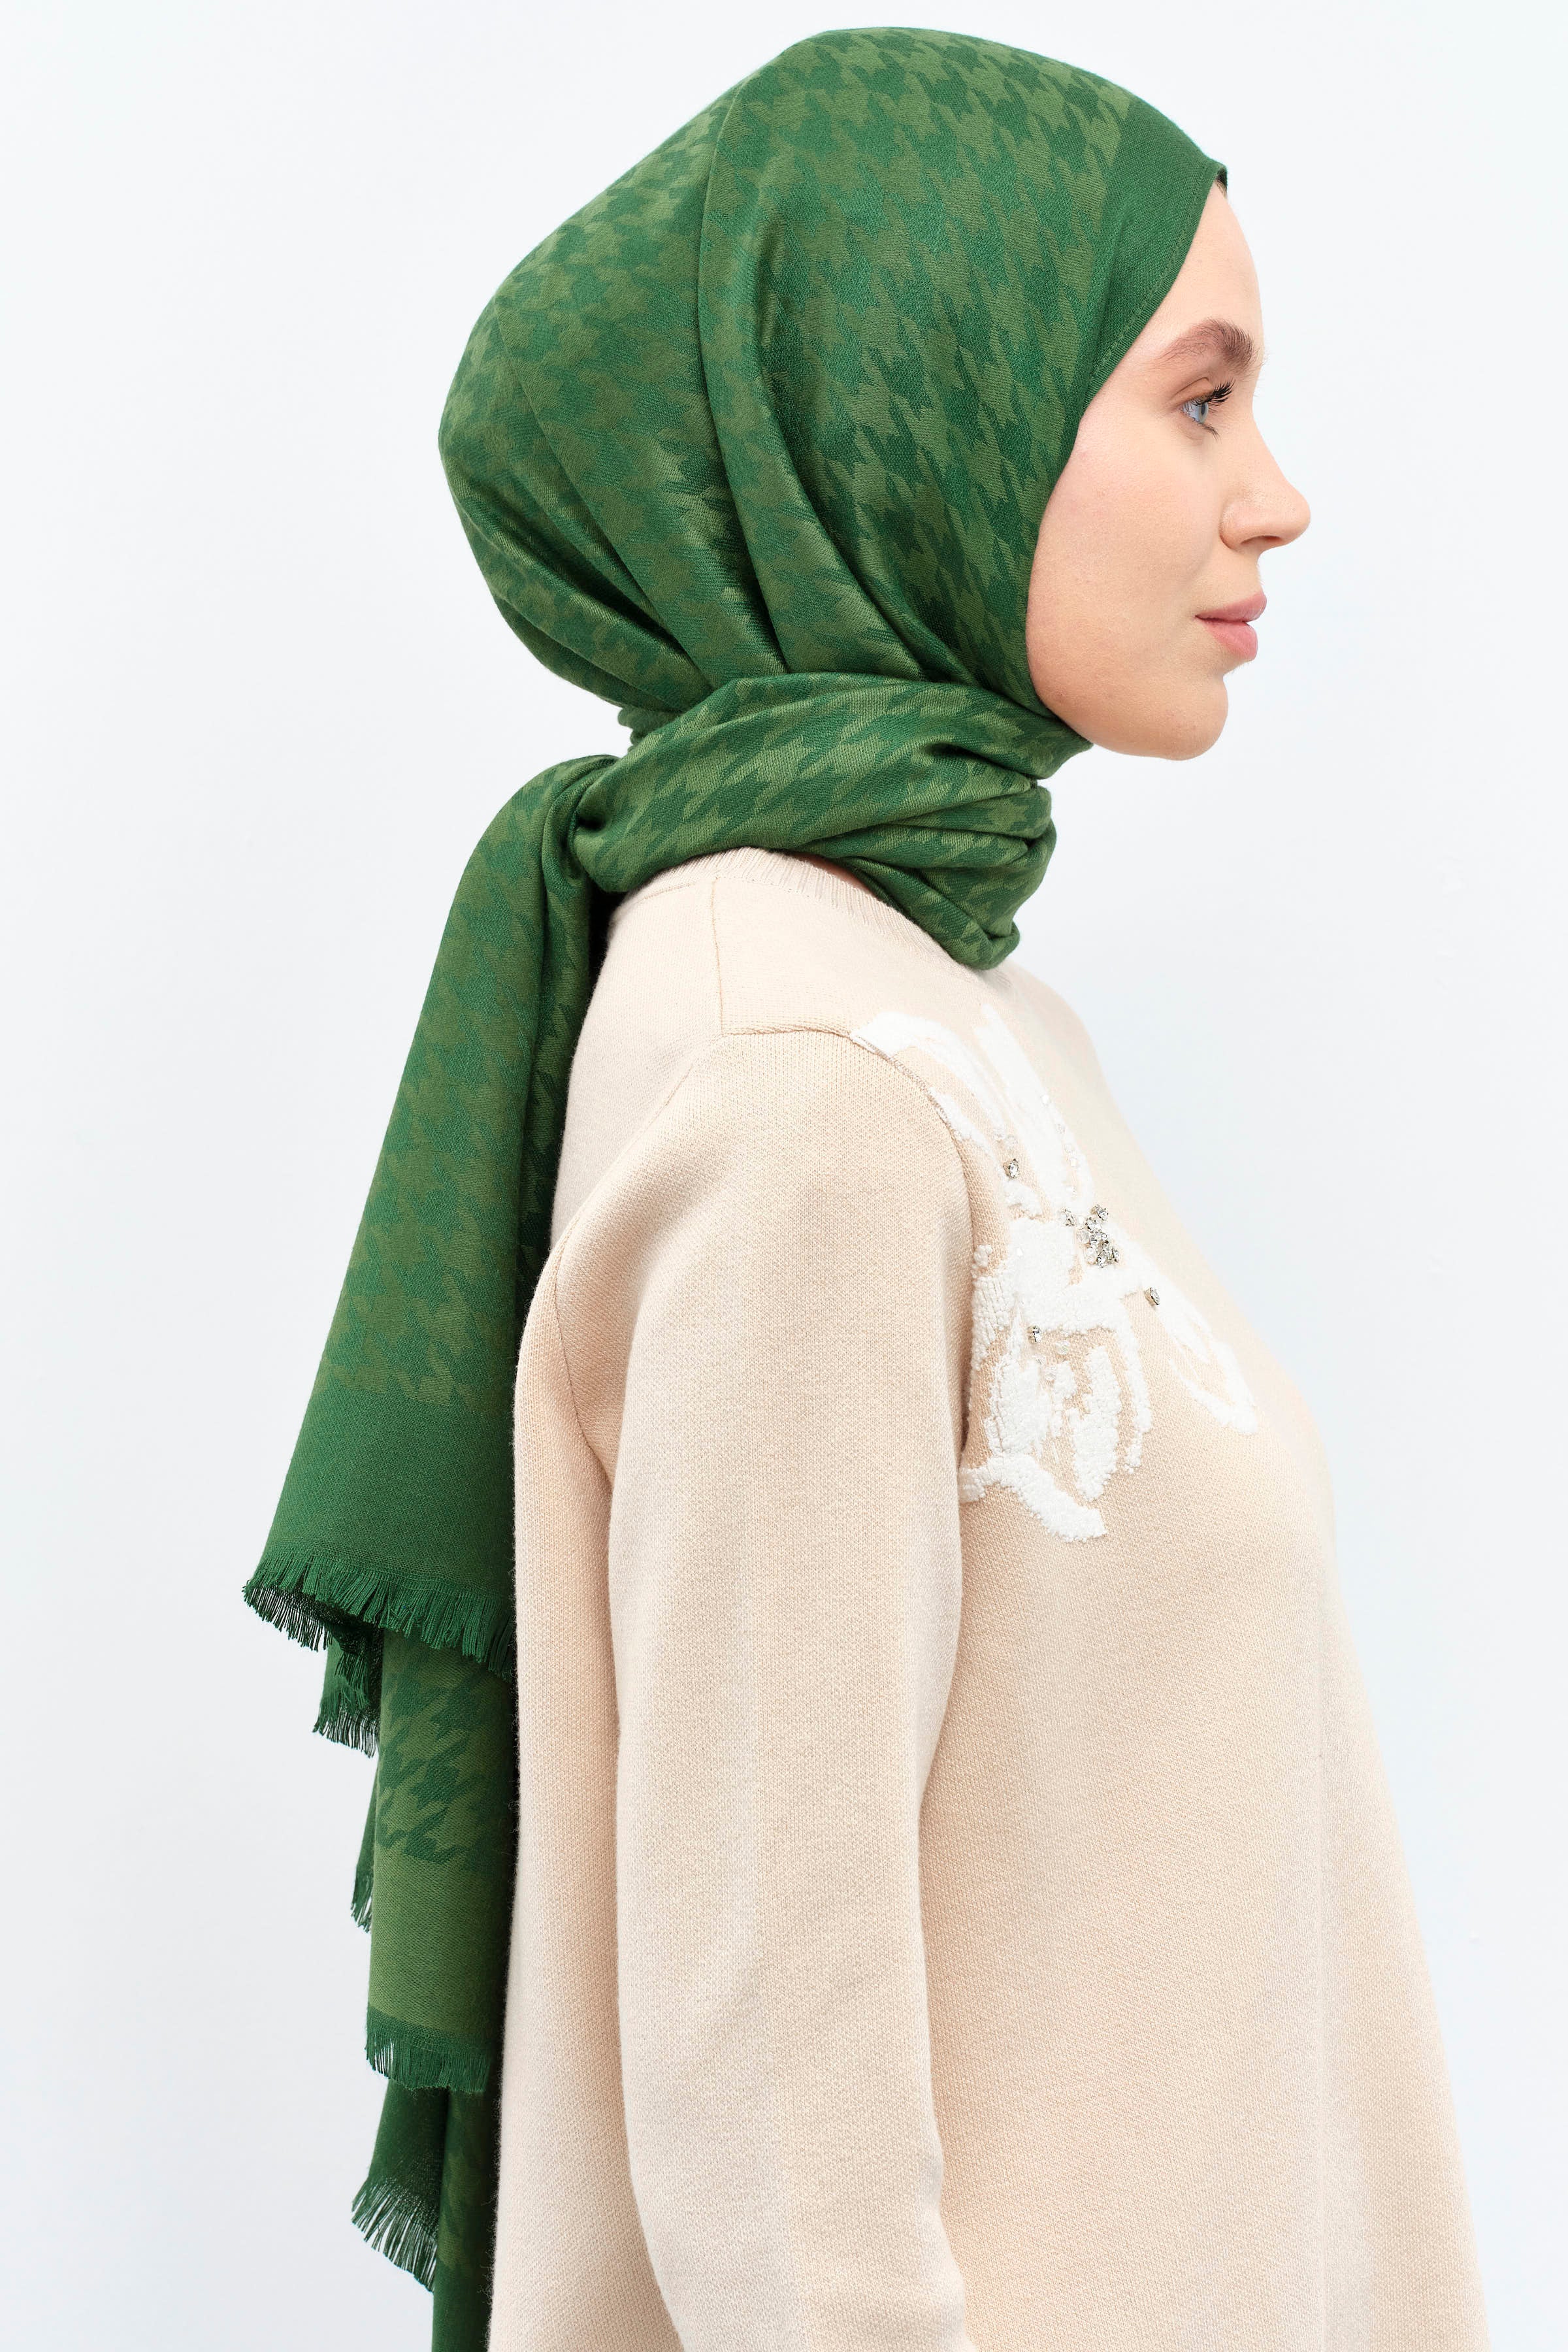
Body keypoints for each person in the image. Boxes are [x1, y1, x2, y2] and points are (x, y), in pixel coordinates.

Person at [246, 29, 1492, 2351]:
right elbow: (774, 2139)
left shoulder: (957, 1014)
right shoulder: (801, 1076)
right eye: (1201, 400)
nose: (1278, 498)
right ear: (933, 403)